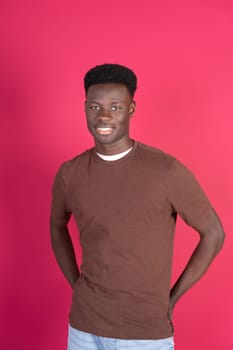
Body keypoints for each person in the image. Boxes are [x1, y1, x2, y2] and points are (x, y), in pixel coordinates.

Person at [50, 63, 225, 350]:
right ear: (84, 108)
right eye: (95, 107)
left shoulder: (166, 171)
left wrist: (172, 299)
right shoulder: (70, 174)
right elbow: (57, 226)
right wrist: (77, 285)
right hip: (83, 330)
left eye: (116, 107)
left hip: (145, 335)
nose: (104, 116)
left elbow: (214, 234)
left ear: (131, 109)